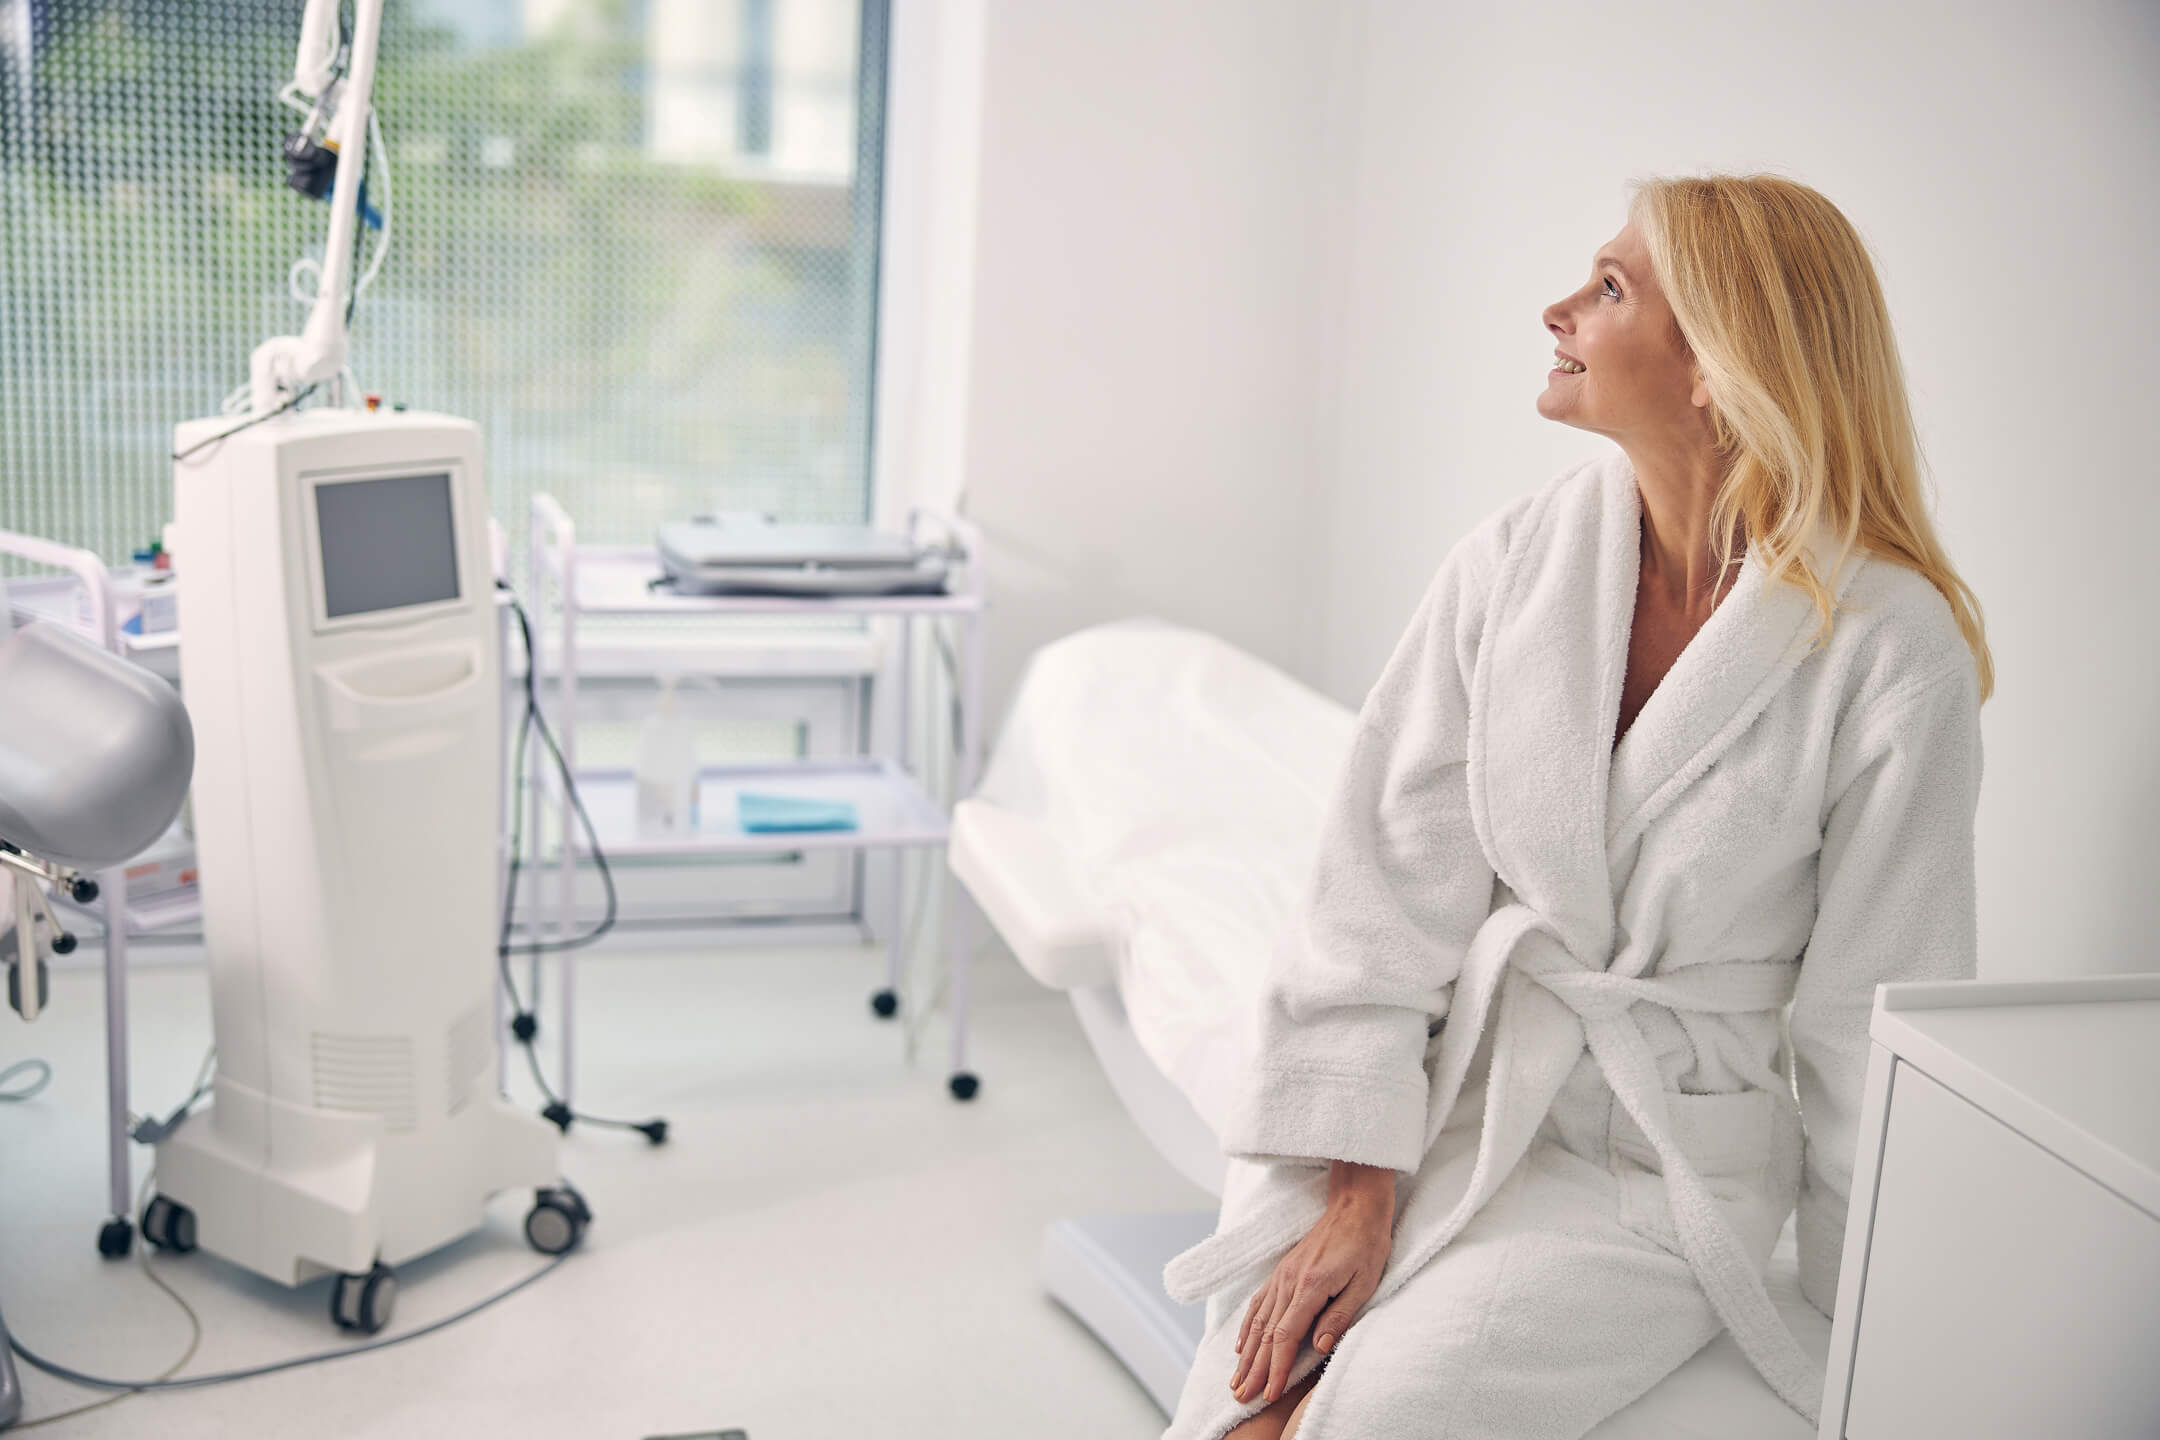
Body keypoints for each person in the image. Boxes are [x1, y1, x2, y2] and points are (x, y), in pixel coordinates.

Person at [1160, 173, 1993, 1440]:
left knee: (1357, 1421)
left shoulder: (1888, 648)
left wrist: (1864, 1302)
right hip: (1432, 1096)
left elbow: (1871, 1009)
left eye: (1609, 289)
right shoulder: (1511, 564)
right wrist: (1357, 1187)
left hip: (1652, 1163)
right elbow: (1384, 888)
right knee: (1243, 1404)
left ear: (1718, 366)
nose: (1557, 309)